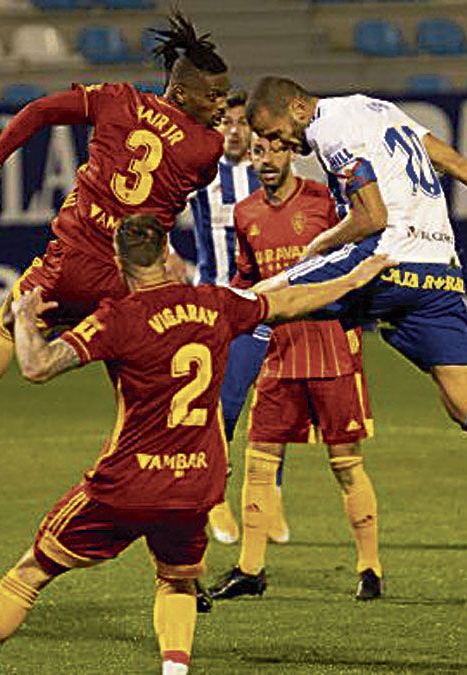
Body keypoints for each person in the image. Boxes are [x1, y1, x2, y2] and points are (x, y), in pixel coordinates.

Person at [0, 215, 394, 675]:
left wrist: (21, 320)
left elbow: (37, 367)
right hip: (196, 484)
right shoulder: (215, 303)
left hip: (127, 484)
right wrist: (353, 278)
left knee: (31, 572)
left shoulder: (115, 317)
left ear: (118, 262)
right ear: (166, 252)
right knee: (177, 582)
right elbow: (289, 301)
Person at [244, 77, 467, 538]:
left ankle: (212, 439)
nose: (278, 144)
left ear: (296, 108)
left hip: (386, 261)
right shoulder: (377, 107)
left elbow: (372, 217)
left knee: (261, 301)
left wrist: (320, 243)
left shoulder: (328, 130)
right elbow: (454, 161)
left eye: (275, 133)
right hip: (440, 274)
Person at [0, 12, 230, 451]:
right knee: (132, 365)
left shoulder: (118, 100)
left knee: (10, 322)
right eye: (214, 96)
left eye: (225, 96)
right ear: (181, 92)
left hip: (70, 263)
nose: (220, 105)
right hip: (130, 274)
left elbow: (41, 110)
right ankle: (148, 453)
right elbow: (179, 184)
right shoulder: (206, 148)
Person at [208, 134, 383, 603]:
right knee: (260, 461)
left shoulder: (324, 201)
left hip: (329, 345)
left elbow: (362, 248)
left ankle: (370, 567)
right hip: (279, 350)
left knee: (345, 463)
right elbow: (248, 278)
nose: (266, 160)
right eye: (258, 152)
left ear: (292, 153)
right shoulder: (246, 214)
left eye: (275, 151)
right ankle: (250, 569)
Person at [186, 90, 287, 546]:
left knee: (275, 404)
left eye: (241, 122)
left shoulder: (270, 174)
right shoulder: (200, 174)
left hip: (264, 305)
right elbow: (154, 215)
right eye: (225, 122)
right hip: (215, 305)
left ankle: (271, 501)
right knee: (224, 404)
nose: (232, 129)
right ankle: (215, 497)